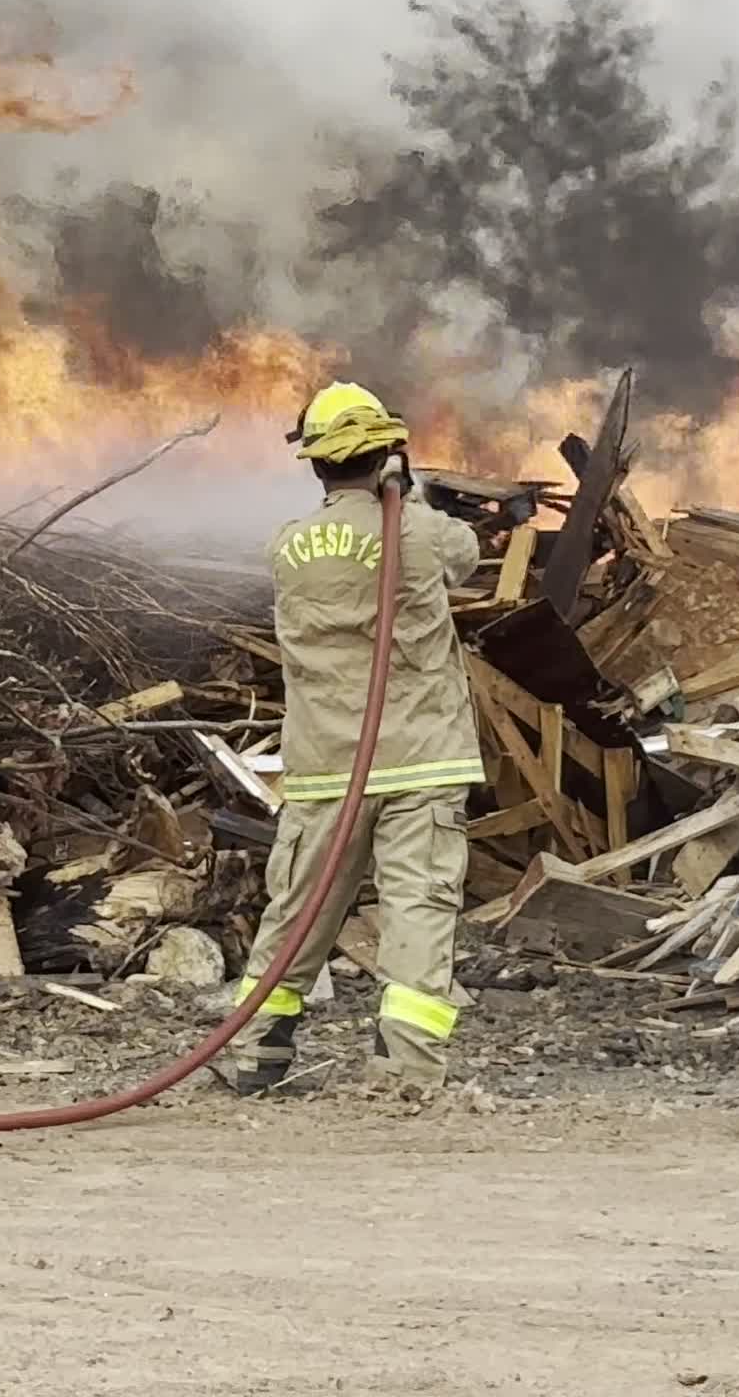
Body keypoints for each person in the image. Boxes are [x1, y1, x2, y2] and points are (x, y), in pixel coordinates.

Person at [219, 380, 486, 1096]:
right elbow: (467, 555)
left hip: (325, 766)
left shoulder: (287, 546)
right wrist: (414, 493)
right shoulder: (420, 530)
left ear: (315, 464)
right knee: (418, 912)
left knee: (298, 914)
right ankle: (407, 1070)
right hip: (423, 760)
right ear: (388, 452)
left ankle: (253, 1055)